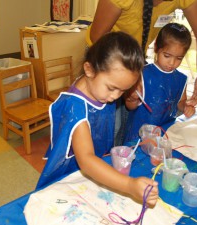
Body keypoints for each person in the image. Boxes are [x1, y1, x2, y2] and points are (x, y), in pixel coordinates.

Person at [36, 32, 159, 206]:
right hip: (68, 176)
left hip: (93, 167)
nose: (115, 97)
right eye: (112, 88)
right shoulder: (75, 108)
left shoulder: (97, 86)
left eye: (123, 90)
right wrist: (129, 185)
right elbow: (86, 160)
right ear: (89, 69)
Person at [87, 0, 197, 106]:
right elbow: (97, 36)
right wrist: (125, 74)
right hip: (103, 54)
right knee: (103, 112)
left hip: (136, 58)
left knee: (126, 114)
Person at [123, 23, 195, 143]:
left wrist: (186, 107)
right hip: (138, 138)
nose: (172, 63)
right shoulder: (141, 74)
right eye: (167, 56)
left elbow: (180, 102)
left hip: (165, 135)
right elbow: (130, 107)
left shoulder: (181, 79)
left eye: (179, 58)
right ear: (156, 47)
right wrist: (131, 99)